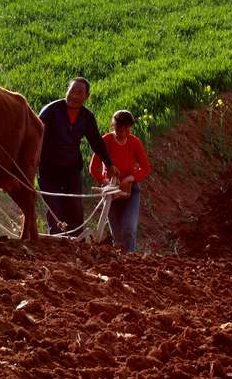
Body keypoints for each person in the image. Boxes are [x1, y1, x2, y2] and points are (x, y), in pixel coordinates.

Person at [38, 78, 118, 234]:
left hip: (71, 169)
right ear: (66, 91)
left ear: (86, 97)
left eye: (79, 93)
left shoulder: (87, 117)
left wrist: (109, 164)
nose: (74, 96)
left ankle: (77, 245)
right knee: (54, 208)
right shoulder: (50, 112)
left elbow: (96, 142)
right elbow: (34, 137)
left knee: (75, 208)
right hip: (48, 169)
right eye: (71, 91)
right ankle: (56, 244)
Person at [89, 110, 151, 252]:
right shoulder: (105, 141)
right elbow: (93, 168)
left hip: (130, 190)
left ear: (130, 127)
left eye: (126, 129)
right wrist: (105, 182)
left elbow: (146, 168)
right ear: (113, 126)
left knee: (129, 228)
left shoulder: (134, 142)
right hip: (110, 191)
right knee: (117, 234)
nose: (123, 132)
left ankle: (130, 259)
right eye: (119, 128)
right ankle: (120, 264)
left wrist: (131, 178)